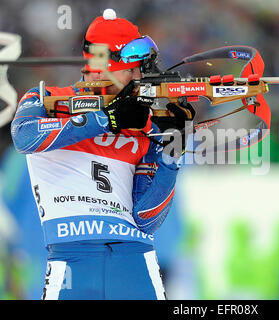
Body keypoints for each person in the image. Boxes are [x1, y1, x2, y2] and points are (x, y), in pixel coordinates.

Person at [10, 9, 194, 300]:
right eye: (133, 67)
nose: (139, 76)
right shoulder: (46, 100)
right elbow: (25, 135)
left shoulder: (144, 122)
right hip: (72, 260)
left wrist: (172, 152)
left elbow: (148, 218)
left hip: (136, 261)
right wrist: (106, 119)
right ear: (104, 66)